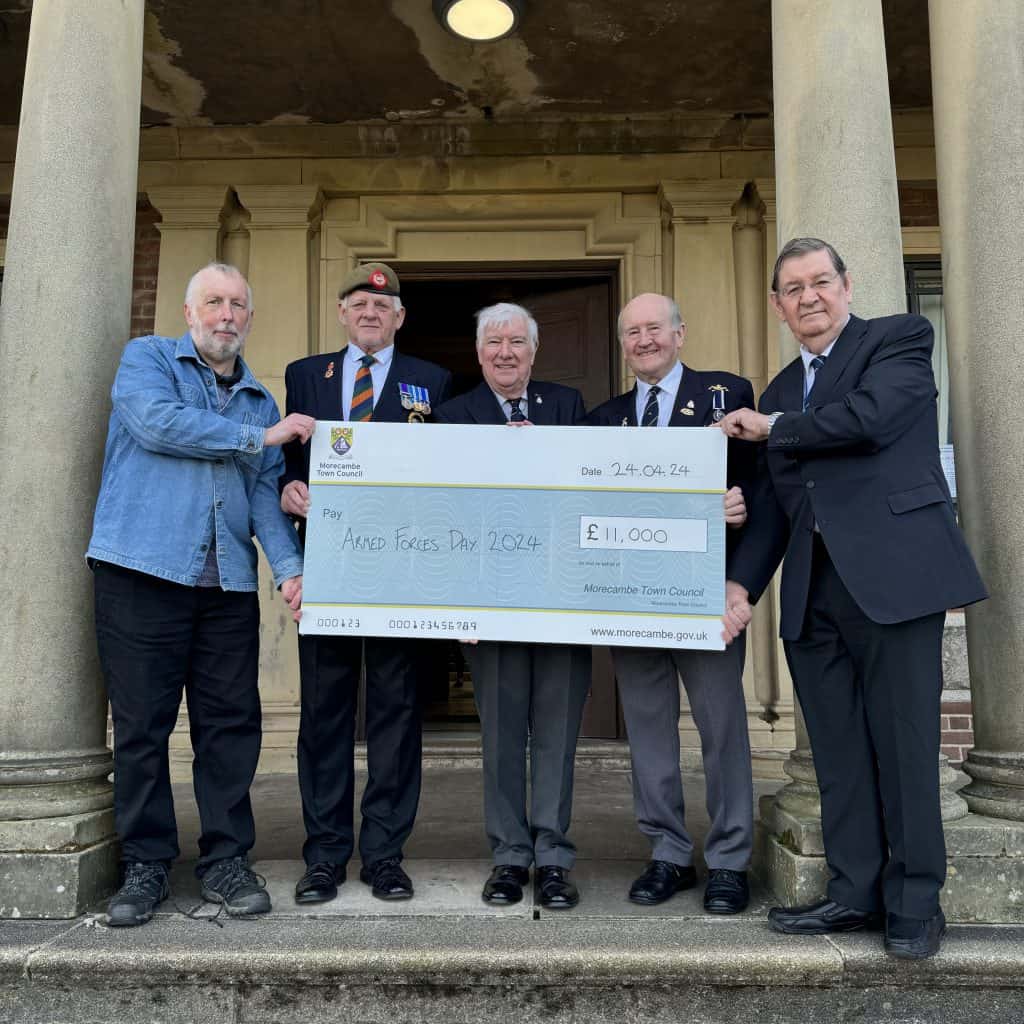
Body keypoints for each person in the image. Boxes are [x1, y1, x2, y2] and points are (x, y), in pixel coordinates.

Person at [720, 237, 987, 959]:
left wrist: (773, 429)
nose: (808, 297)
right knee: (838, 755)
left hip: (896, 581)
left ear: (845, 285)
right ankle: (853, 894)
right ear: (777, 306)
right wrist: (740, 584)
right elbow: (773, 510)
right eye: (793, 288)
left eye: (820, 282)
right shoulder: (776, 390)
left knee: (904, 750)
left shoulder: (898, 340)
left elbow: (869, 419)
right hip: (813, 594)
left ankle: (914, 905)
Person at [87, 262, 312, 927]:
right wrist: (257, 437)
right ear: (189, 313)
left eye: (239, 305)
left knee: (229, 729)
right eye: (214, 302)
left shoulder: (258, 399)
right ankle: (146, 863)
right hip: (141, 573)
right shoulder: (148, 361)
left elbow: (266, 500)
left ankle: (224, 860)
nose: (227, 315)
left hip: (226, 589)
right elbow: (158, 426)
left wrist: (289, 569)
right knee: (141, 728)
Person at [281, 262, 451, 904]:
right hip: (327, 569)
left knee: (395, 714)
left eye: (383, 307)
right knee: (324, 714)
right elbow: (284, 460)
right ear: (342, 313)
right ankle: (324, 855)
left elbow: (448, 472)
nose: (371, 314)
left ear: (400, 318)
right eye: (359, 304)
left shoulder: (431, 382)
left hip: (400, 573)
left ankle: (384, 853)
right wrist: (285, 489)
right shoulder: (305, 376)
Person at [587, 293, 757, 914]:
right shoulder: (602, 420)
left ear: (680, 333)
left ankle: (731, 860)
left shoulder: (727, 395)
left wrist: (741, 584)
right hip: (632, 601)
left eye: (654, 328)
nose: (644, 340)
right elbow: (589, 510)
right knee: (650, 734)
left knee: (722, 730)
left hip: (707, 599)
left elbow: (759, 498)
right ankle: (667, 853)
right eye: (631, 332)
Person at [434, 302, 591, 910]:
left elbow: (585, 492)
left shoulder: (567, 407)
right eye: (494, 343)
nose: (505, 353)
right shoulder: (451, 417)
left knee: (557, 732)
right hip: (489, 601)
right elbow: (441, 513)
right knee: (500, 735)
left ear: (534, 351)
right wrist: (457, 606)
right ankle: (508, 857)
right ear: (478, 354)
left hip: (561, 597)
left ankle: (552, 857)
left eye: (517, 343)